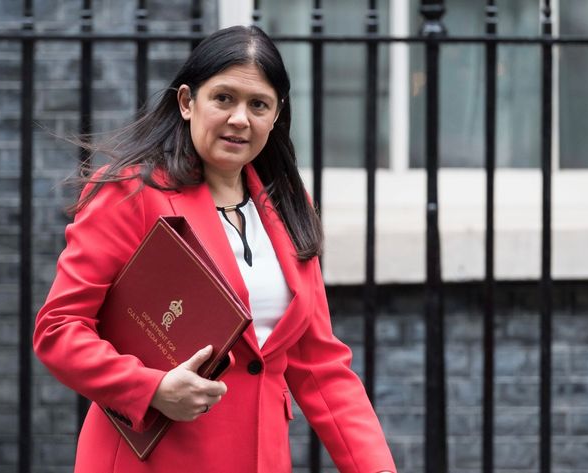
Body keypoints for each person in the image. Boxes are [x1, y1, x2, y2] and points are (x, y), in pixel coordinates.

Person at [33, 25, 396, 473]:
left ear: (276, 115)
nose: (240, 118)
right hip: (152, 461)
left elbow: (319, 363)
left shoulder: (288, 206)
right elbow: (59, 329)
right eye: (224, 98)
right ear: (187, 102)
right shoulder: (130, 192)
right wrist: (150, 387)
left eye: (258, 104)